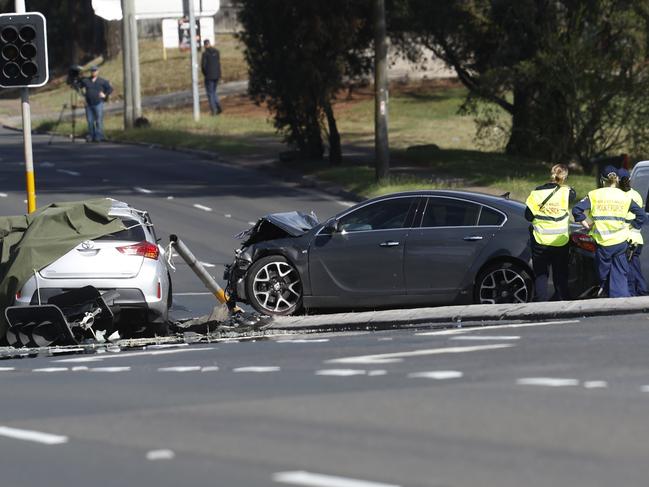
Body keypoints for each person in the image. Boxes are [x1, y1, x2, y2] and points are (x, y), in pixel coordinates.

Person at [572, 165, 645, 298]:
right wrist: (633, 228)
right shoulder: (625, 196)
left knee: (603, 274)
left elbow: (576, 209)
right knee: (620, 275)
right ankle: (621, 302)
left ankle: (606, 294)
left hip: (603, 244)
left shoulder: (594, 195)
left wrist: (584, 223)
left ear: (602, 180)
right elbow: (642, 215)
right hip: (620, 243)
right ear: (616, 179)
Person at [525, 164, 575, 301]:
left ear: (551, 174)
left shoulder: (536, 193)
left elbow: (528, 216)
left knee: (541, 275)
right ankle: (562, 302)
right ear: (564, 177)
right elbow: (571, 194)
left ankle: (541, 304)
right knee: (560, 275)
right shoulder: (568, 192)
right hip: (561, 241)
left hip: (540, 241)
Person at [618, 168, 647, 296]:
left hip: (626, 237)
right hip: (636, 237)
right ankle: (641, 290)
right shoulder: (636, 194)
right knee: (635, 266)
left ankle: (633, 294)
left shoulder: (619, 196)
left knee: (629, 268)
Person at [79, 66, 113, 142]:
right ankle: (91, 135)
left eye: (95, 71)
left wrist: (105, 94)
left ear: (98, 71)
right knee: (90, 121)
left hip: (98, 103)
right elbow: (79, 86)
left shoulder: (102, 81)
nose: (93, 72)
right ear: (90, 72)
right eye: (92, 71)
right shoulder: (86, 80)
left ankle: (99, 135)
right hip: (88, 104)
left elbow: (110, 89)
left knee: (98, 120)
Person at [201, 39, 222, 115]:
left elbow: (203, 66)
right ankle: (218, 106)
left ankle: (214, 110)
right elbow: (218, 62)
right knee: (214, 91)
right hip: (217, 75)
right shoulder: (217, 52)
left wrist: (205, 74)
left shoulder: (205, 54)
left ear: (204, 45)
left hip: (209, 76)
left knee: (210, 93)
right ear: (209, 44)